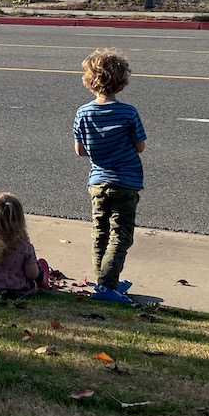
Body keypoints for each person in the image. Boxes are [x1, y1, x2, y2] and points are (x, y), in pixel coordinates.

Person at [73, 48, 147, 304]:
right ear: (122, 81)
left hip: (97, 182)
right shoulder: (128, 112)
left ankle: (104, 280)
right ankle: (106, 286)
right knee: (120, 235)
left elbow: (79, 150)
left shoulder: (83, 113)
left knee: (100, 233)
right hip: (126, 182)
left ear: (89, 81)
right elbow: (140, 146)